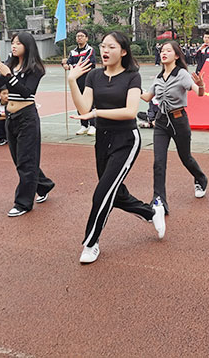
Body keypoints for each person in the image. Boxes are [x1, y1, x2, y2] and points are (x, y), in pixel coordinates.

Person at [67, 31, 165, 264]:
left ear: (123, 51)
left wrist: (96, 113)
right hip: (102, 139)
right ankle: (151, 212)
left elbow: (131, 111)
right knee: (114, 192)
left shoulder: (132, 76)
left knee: (102, 193)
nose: (105, 51)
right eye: (103, 46)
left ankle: (91, 243)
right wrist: (72, 81)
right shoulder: (93, 76)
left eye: (111, 47)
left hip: (126, 140)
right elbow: (83, 109)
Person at [0, 32, 55, 217]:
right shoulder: (10, 64)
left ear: (28, 45)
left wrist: (8, 74)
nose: (14, 46)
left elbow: (26, 92)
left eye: (18, 43)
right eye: (12, 43)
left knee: (26, 162)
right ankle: (44, 185)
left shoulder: (36, 68)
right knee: (20, 160)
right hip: (11, 117)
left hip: (27, 118)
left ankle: (23, 203)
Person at [141, 40, 208, 214]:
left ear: (176, 55)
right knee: (158, 162)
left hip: (179, 121)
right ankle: (159, 202)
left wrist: (201, 84)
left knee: (185, 157)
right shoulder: (158, 77)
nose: (164, 53)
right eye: (162, 51)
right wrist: (131, 88)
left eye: (168, 51)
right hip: (161, 122)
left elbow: (198, 92)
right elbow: (147, 97)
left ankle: (201, 178)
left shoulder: (182, 74)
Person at [62, 29, 97, 136]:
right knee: (79, 102)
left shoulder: (90, 50)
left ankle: (93, 125)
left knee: (90, 102)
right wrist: (64, 64)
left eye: (82, 36)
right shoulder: (72, 52)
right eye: (78, 36)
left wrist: (71, 66)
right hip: (77, 81)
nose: (79, 38)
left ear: (86, 38)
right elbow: (68, 63)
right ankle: (84, 125)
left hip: (88, 80)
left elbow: (86, 63)